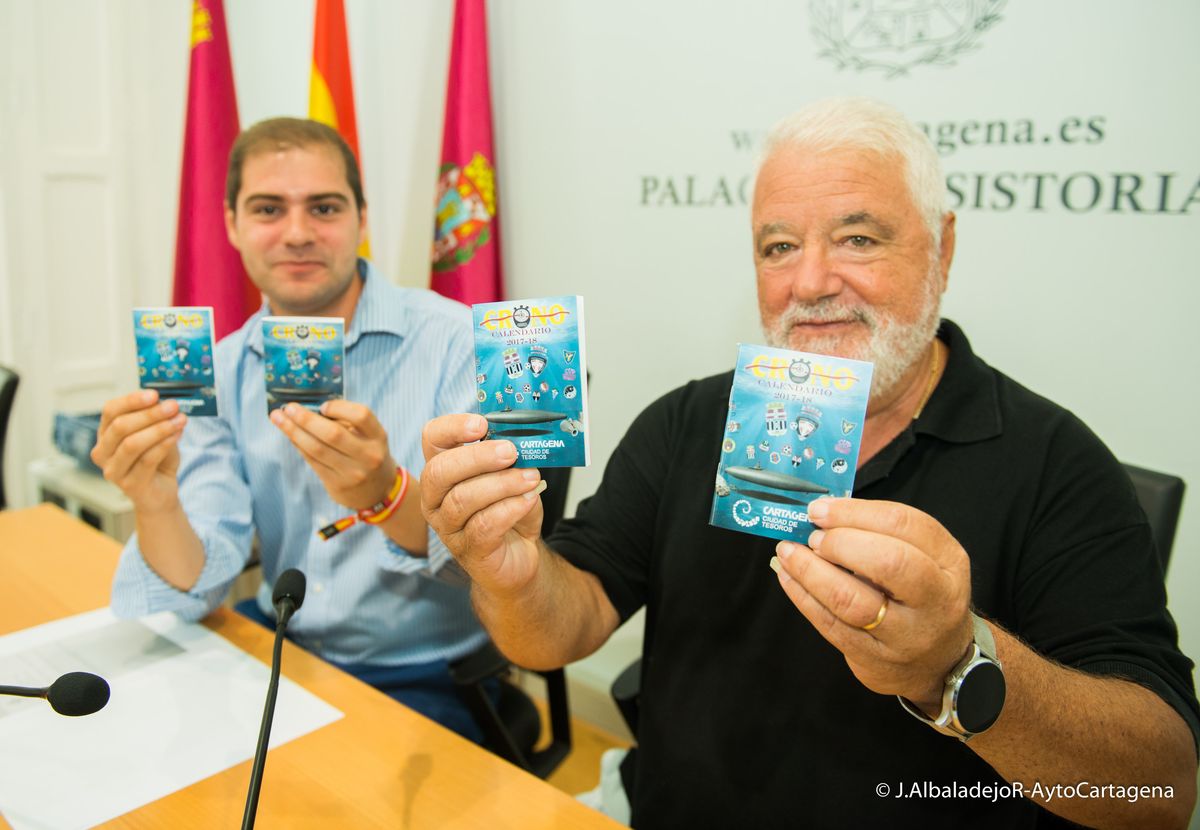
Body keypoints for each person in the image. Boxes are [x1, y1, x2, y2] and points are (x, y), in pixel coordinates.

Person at [420, 98, 1199, 827]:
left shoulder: (1056, 465)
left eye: (859, 238)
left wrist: (957, 665)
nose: (812, 282)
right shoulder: (687, 422)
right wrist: (512, 573)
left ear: (943, 246)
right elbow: (558, 629)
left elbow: (1161, 791)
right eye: (779, 246)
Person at [94, 118, 491, 741]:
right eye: (268, 209)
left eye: (325, 207)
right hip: (281, 641)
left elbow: (481, 564)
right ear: (231, 224)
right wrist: (156, 500)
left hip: (426, 669)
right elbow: (197, 585)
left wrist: (385, 493)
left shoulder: (458, 342)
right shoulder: (220, 369)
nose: (298, 233)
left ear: (363, 218)